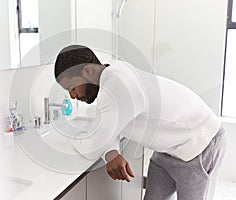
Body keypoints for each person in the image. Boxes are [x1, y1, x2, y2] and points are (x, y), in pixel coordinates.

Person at [54, 44, 227, 200]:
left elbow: (94, 142)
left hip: (200, 145)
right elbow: (105, 126)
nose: (72, 96)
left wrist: (77, 140)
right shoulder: (113, 74)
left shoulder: (118, 86)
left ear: (88, 71)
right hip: (166, 150)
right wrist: (110, 152)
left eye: (71, 87)